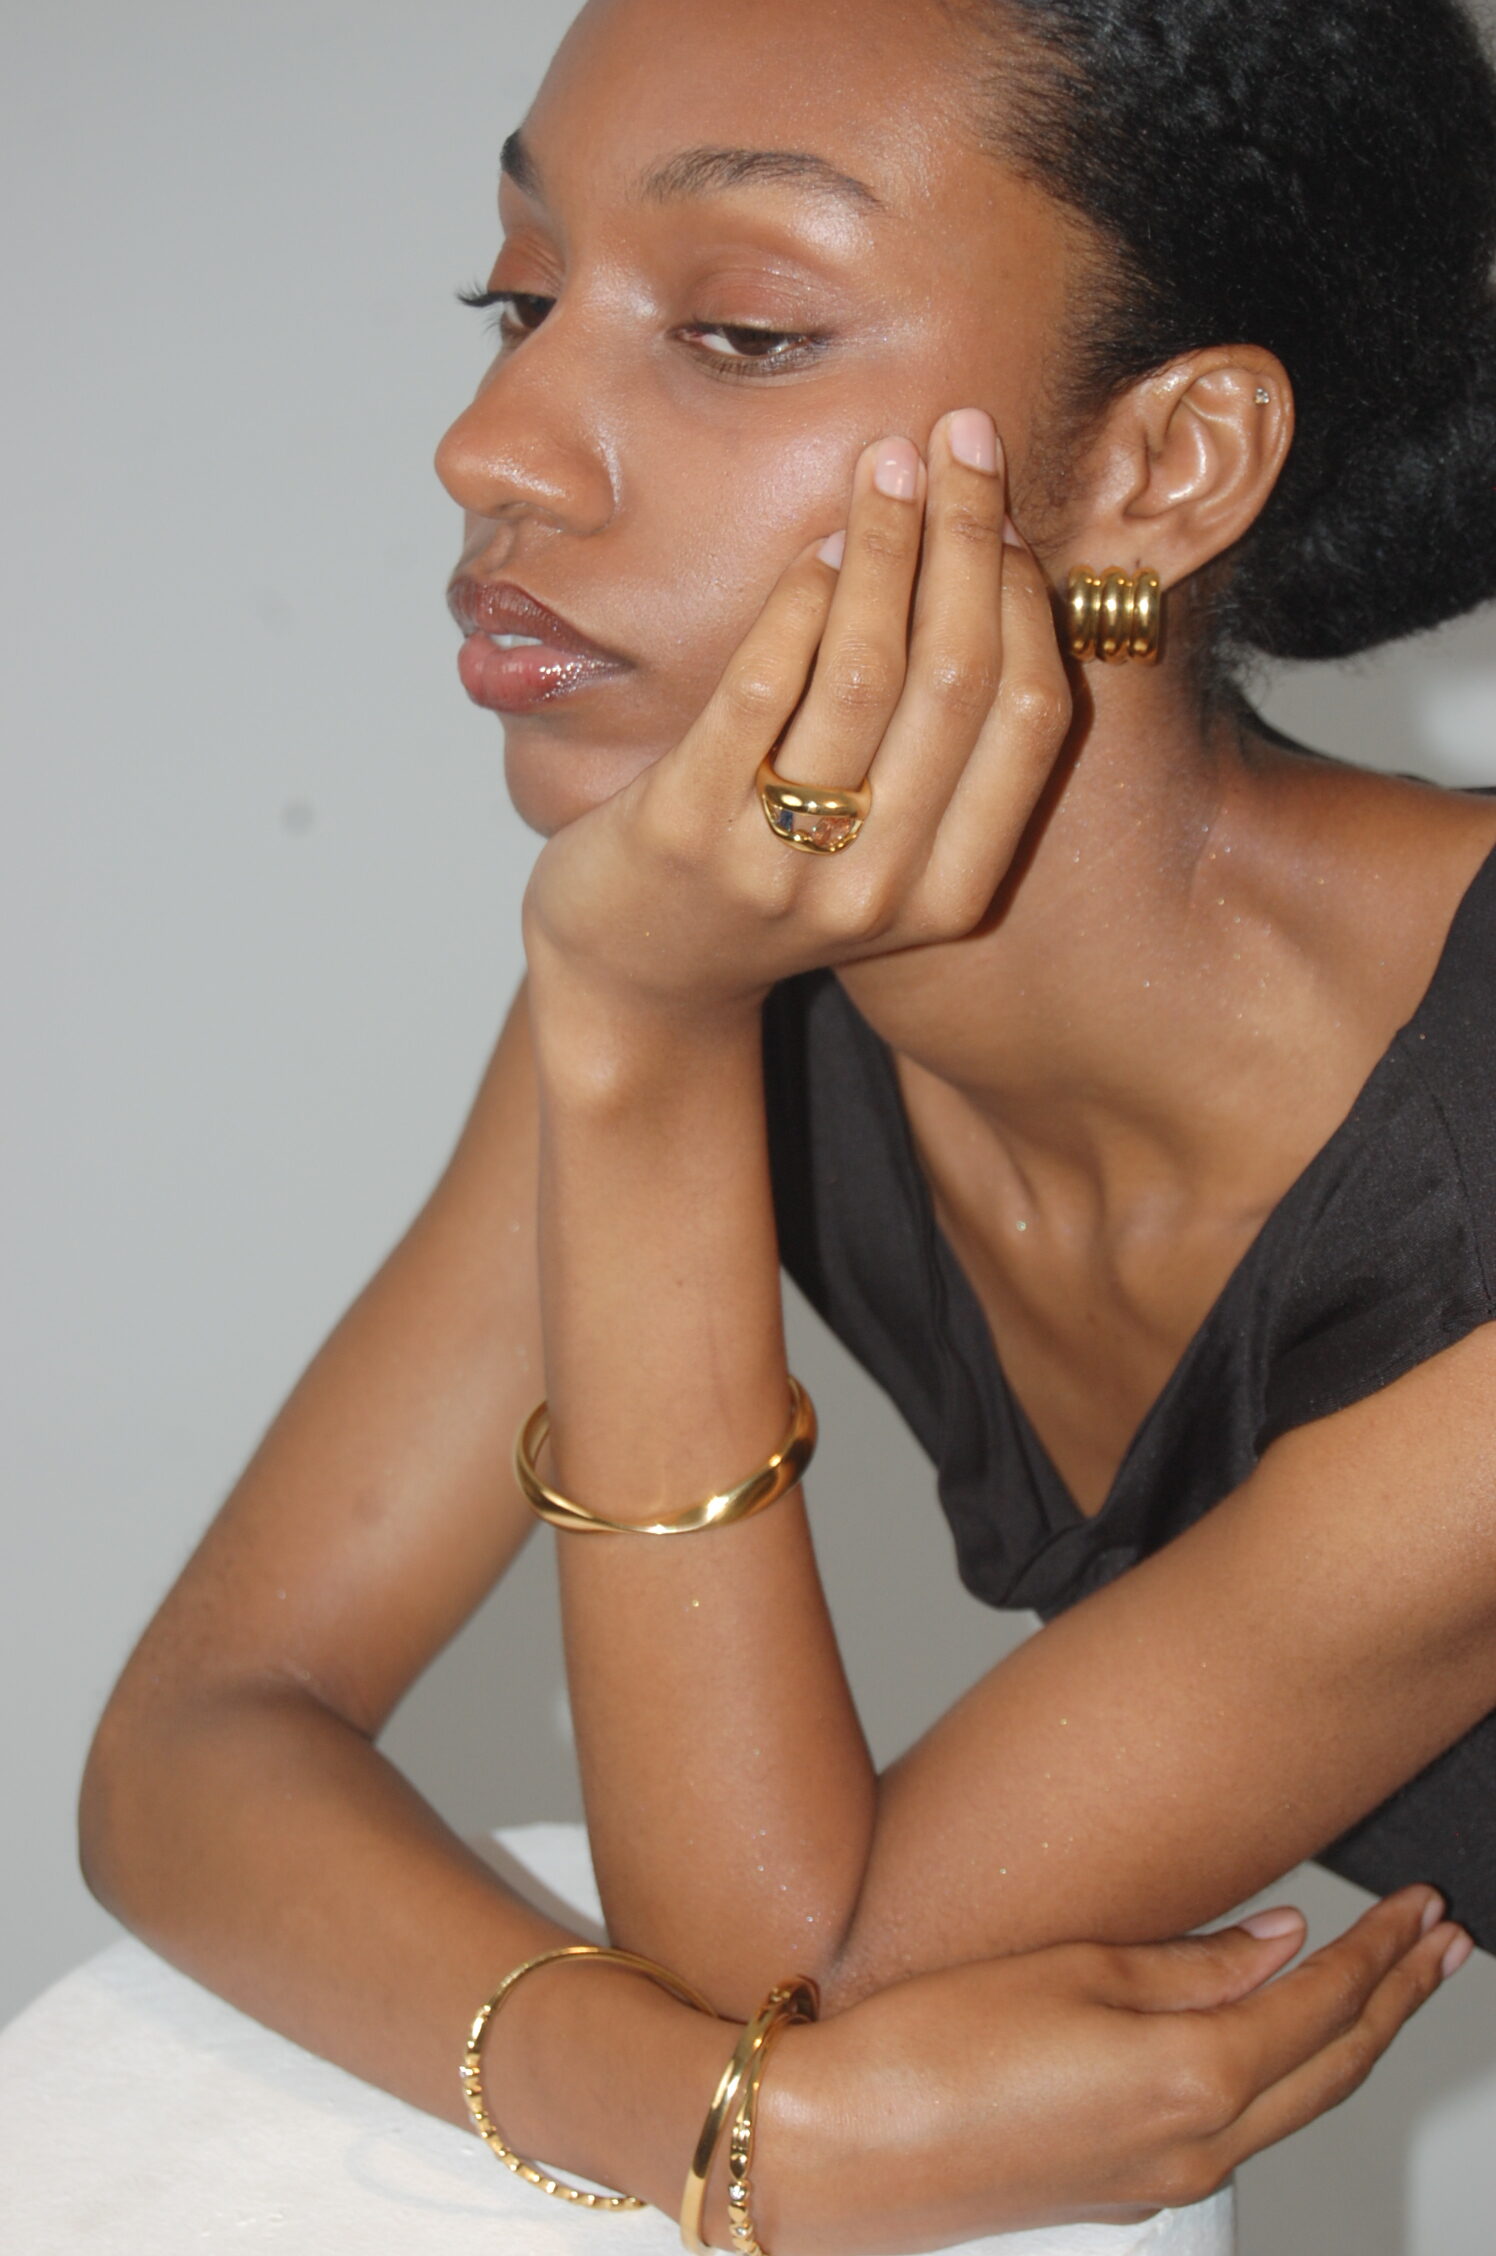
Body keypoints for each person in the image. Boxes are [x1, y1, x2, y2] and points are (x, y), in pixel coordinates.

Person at [77, 0, 1496, 2248]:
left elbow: (792, 1973)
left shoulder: (676, 991)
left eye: (738, 331)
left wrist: (636, 1049)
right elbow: (192, 1739)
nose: (489, 444)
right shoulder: (739, 949)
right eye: (516, 298)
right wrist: (702, 2123)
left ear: (1164, 465)